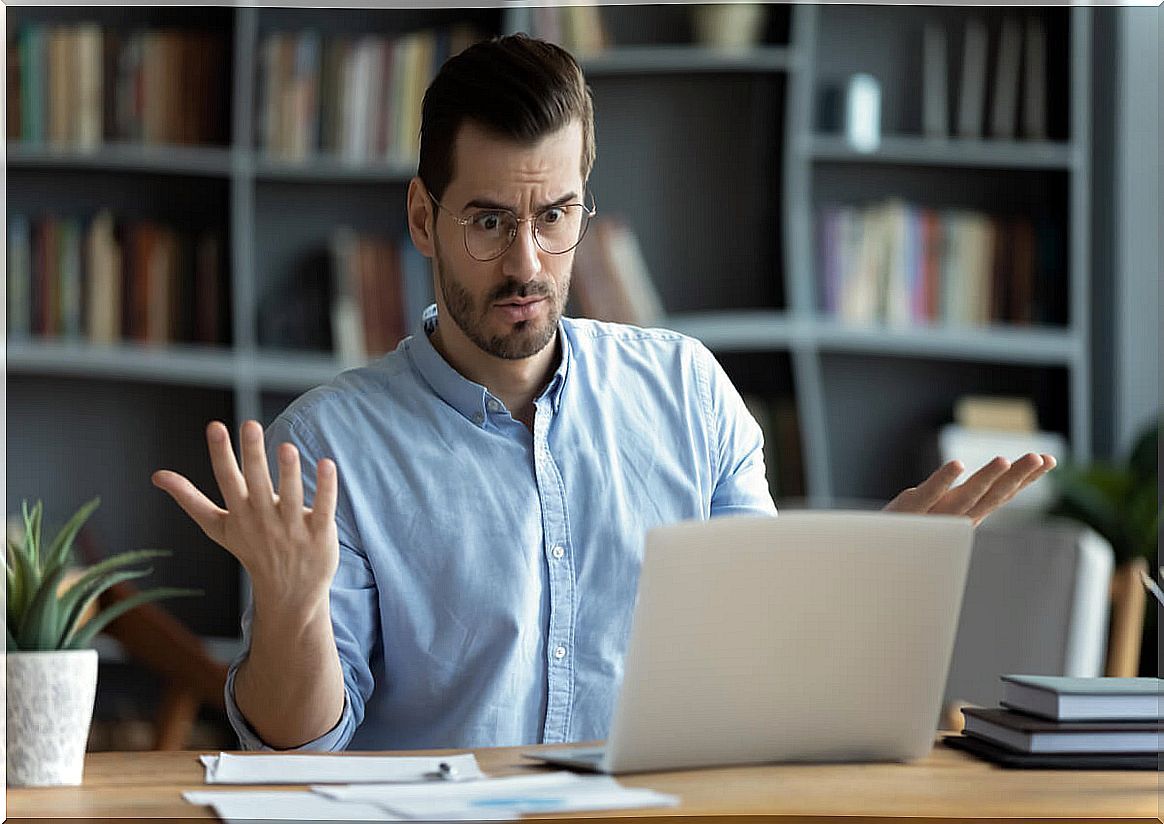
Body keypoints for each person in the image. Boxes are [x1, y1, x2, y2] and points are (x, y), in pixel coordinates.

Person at [152, 35, 1054, 752]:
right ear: (424, 218)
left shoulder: (688, 393)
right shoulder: (329, 446)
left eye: (555, 217)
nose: (527, 264)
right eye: (489, 222)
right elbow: (300, 746)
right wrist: (295, 611)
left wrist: (859, 581)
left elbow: (757, 669)